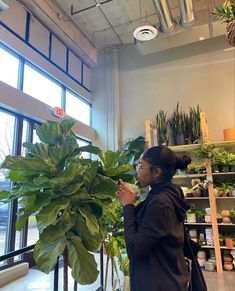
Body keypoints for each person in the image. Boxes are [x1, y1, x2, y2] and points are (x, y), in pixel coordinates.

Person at [116, 146, 192, 291]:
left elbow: (135, 250)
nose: (138, 171)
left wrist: (127, 205)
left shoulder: (160, 202)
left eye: (141, 166)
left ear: (156, 172)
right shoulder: (172, 192)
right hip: (170, 275)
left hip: (158, 283)